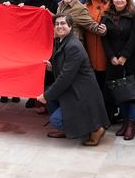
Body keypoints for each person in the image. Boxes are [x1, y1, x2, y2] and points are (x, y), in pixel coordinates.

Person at [39, 15, 109, 146]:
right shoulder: (61, 41)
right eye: (57, 24)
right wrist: (52, 67)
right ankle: (69, 128)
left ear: (70, 27)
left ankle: (97, 130)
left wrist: (46, 96)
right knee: (48, 92)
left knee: (56, 119)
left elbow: (65, 77)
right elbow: (66, 69)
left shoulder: (73, 46)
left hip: (81, 93)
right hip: (72, 88)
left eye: (63, 23)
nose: (59, 26)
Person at [102, 0, 135, 140]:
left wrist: (125, 55)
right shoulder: (106, 17)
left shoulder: (133, 16)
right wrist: (111, 56)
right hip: (113, 61)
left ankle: (131, 124)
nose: (119, 0)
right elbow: (104, 38)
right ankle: (124, 122)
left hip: (131, 60)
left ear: (126, 0)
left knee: (132, 93)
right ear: (112, 0)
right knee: (120, 93)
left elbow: (134, 37)